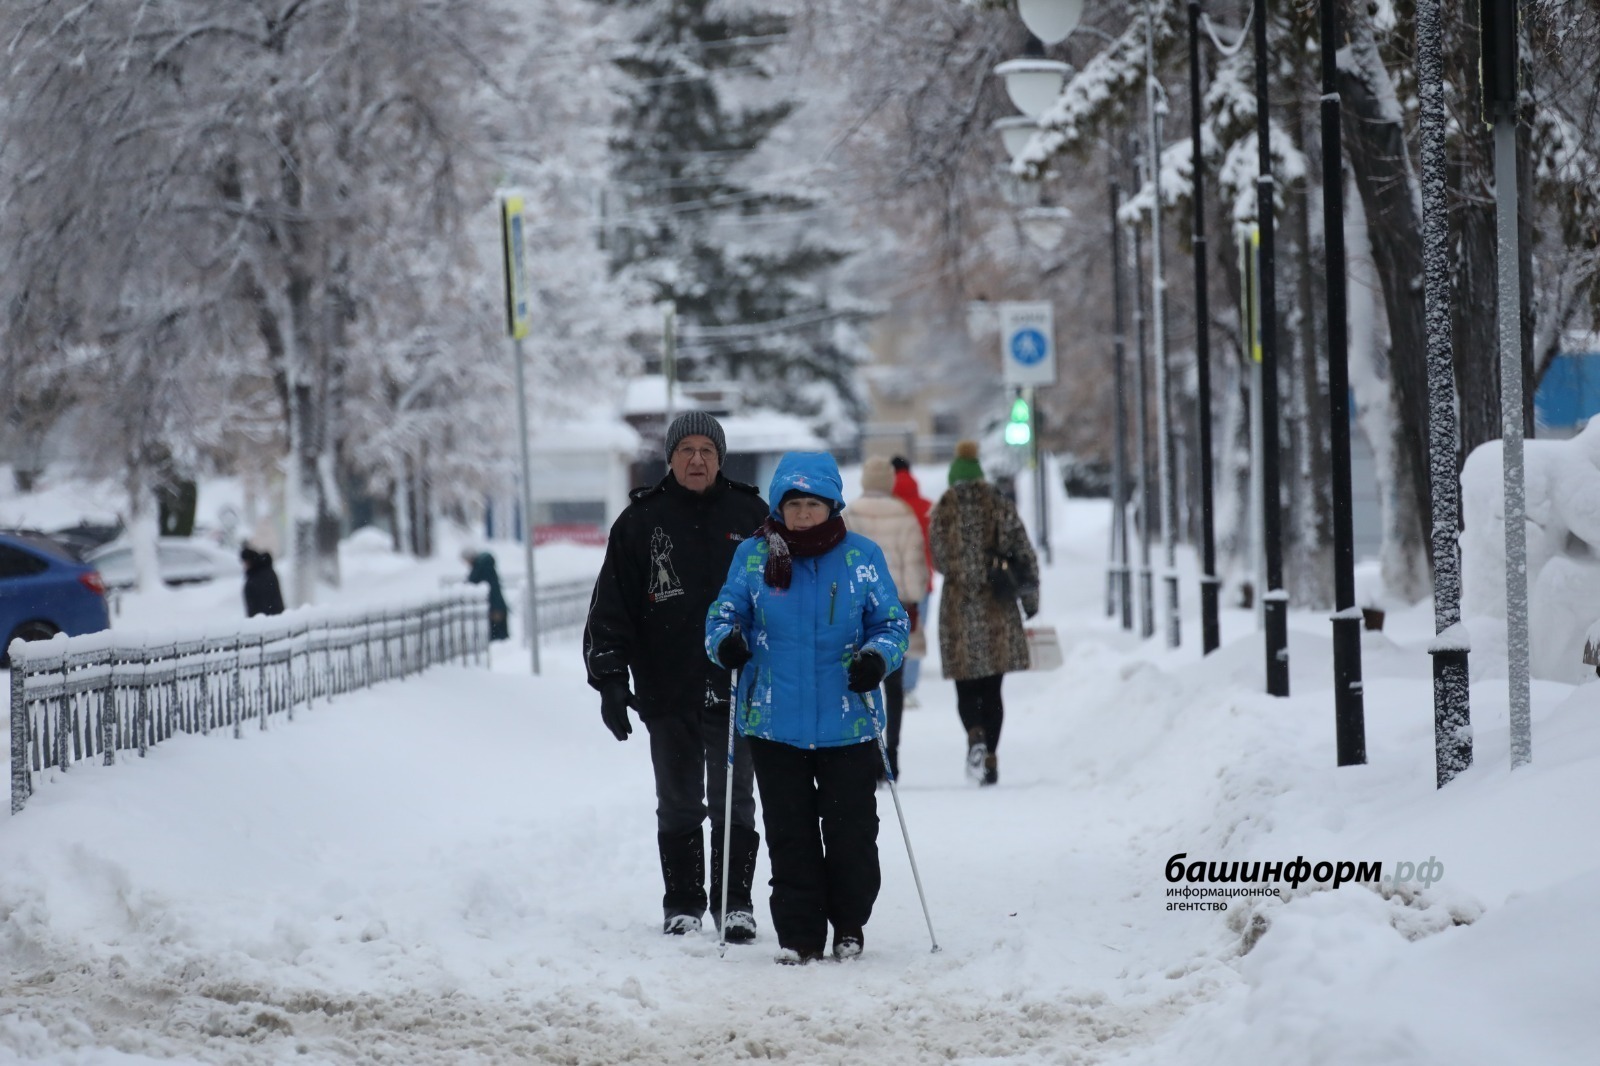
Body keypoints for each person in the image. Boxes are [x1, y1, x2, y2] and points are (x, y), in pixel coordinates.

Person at [705, 452, 910, 964]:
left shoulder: (861, 556)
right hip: (774, 721)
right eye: (792, 503)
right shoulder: (753, 557)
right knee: (790, 835)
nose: (801, 514)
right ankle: (798, 934)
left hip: (849, 721)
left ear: (832, 505)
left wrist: (876, 658)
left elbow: (892, 623)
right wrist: (726, 641)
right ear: (778, 505)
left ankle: (848, 924)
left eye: (812, 504)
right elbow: (724, 613)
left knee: (852, 837)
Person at [584, 411, 770, 941]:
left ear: (720, 458)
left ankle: (735, 903)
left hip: (737, 686)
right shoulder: (641, 521)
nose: (696, 460)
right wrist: (611, 681)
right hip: (668, 687)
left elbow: (781, 598)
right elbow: (610, 609)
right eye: (686, 450)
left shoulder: (751, 514)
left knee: (734, 797)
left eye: (706, 451)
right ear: (669, 458)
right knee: (680, 799)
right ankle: (683, 903)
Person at [929, 440, 1039, 787]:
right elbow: (1022, 548)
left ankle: (974, 734)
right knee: (993, 688)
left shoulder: (944, 508)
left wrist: (963, 570)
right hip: (998, 603)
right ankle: (990, 753)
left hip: (958, 606)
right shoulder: (999, 504)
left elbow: (940, 558)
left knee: (965, 687)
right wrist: (1030, 596)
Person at [843, 456, 929, 780]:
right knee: (893, 684)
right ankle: (890, 752)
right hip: (894, 610)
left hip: (857, 610)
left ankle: (868, 749)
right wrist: (913, 600)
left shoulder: (849, 514)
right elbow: (914, 564)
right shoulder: (904, 515)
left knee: (862, 681)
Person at [890, 455, 934, 705]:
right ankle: (908, 688)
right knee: (915, 633)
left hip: (891, 582)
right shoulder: (926, 507)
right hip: (919, 581)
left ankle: (892, 681)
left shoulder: (886, 509)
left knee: (891, 631)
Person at [462, 548, 510, 641]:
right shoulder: (485, 567)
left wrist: (496, 608)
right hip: (497, 605)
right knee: (500, 636)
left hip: (494, 606)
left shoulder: (480, 568)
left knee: (497, 637)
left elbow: (475, 583)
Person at [240, 545, 285, 617]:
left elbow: (255, 607)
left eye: (246, 562)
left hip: (264, 623)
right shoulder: (267, 572)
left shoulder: (254, 579)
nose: (244, 566)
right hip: (277, 619)